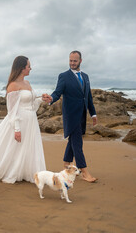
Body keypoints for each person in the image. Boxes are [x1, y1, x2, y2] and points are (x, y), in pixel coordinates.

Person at [0, 56, 46, 184]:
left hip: (31, 120)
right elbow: (12, 111)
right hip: (19, 121)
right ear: (22, 68)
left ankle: (25, 171)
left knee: (27, 147)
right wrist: (16, 129)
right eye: (28, 66)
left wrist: (41, 99)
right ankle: (10, 171)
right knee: (14, 147)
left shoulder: (27, 83)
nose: (30, 68)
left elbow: (31, 104)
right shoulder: (13, 86)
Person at [43, 50, 98, 183]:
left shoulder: (85, 76)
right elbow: (57, 92)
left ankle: (66, 165)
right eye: (70, 60)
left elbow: (88, 97)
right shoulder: (64, 76)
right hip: (71, 115)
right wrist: (51, 99)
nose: (72, 63)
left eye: (75, 60)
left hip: (82, 115)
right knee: (77, 143)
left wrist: (93, 113)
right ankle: (84, 172)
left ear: (80, 61)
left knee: (72, 141)